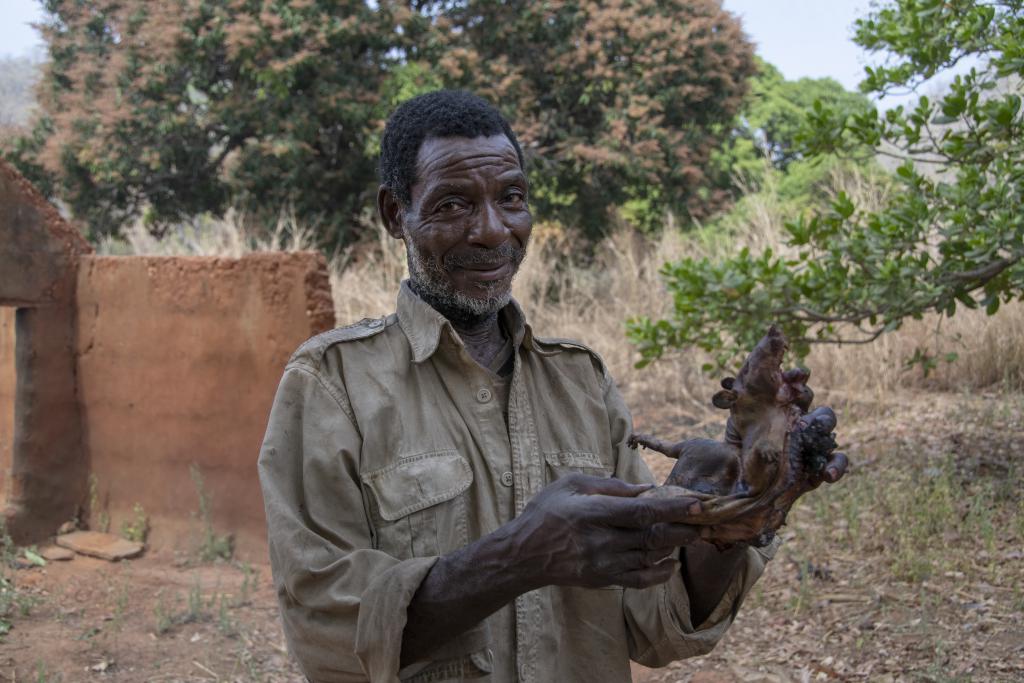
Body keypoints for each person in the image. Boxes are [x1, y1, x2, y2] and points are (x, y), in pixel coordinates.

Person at [258, 90, 847, 683]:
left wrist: (731, 510)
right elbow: (329, 634)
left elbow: (656, 625)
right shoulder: (332, 385)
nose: (492, 230)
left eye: (511, 198)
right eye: (453, 203)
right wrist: (519, 558)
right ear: (395, 215)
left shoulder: (580, 381)